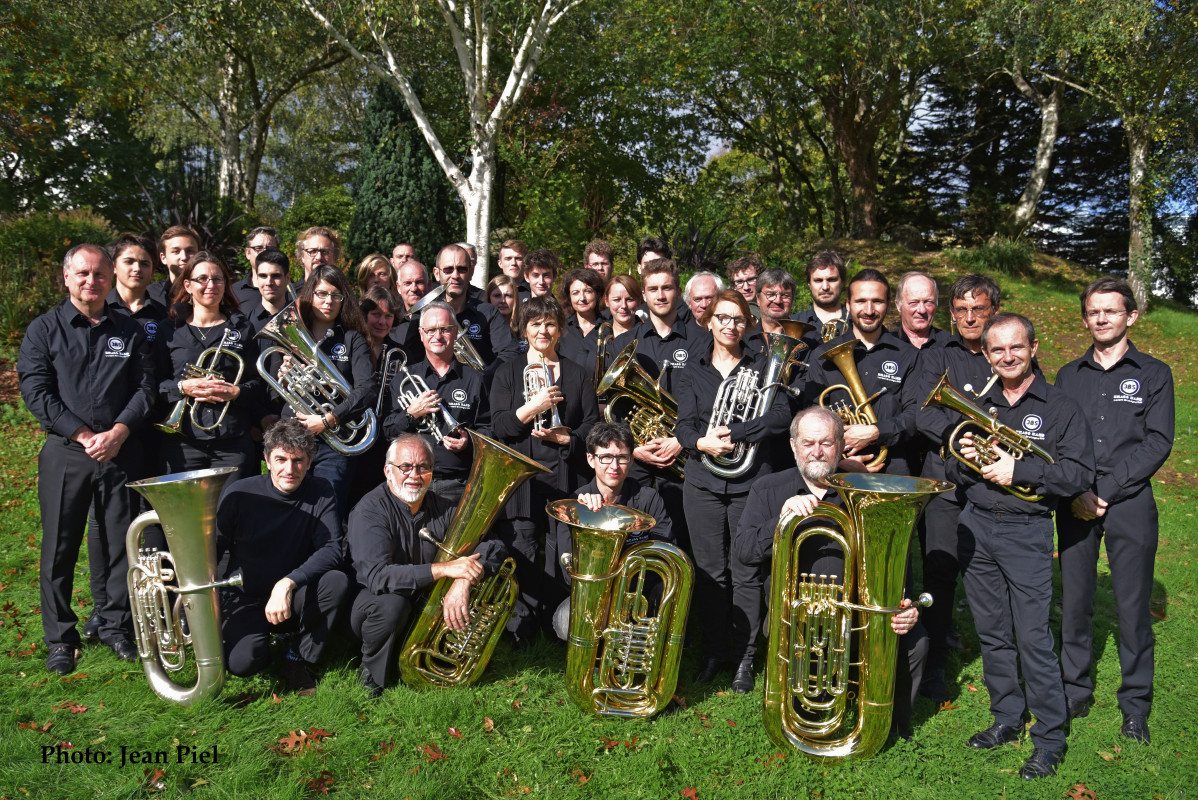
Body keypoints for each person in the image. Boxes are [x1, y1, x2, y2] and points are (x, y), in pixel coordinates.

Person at [948, 313, 1094, 780]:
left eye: (1016, 348)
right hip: (975, 526)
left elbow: (1076, 475)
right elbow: (950, 471)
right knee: (992, 632)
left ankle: (1049, 737)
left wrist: (1020, 472)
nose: (1007, 357)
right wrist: (968, 462)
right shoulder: (979, 403)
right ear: (986, 354)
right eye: (997, 350)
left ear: (1033, 347)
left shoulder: (1059, 406)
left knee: (1032, 637)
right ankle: (1007, 717)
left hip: (1025, 530)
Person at [730, 407, 926, 740]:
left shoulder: (866, 492)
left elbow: (893, 557)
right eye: (808, 443)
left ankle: (889, 725)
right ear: (793, 446)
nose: (817, 451)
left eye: (826, 442)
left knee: (916, 642)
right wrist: (781, 521)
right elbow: (744, 553)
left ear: (840, 445)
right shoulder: (768, 489)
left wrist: (904, 603)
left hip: (857, 614)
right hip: (796, 620)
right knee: (810, 706)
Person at [18, 243, 155, 674]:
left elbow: (146, 388)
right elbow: (36, 391)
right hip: (67, 454)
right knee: (60, 546)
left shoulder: (129, 331)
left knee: (120, 545)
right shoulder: (44, 330)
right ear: (66, 277)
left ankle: (115, 626)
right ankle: (61, 638)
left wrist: (118, 432)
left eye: (98, 274)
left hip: (119, 451)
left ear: (109, 279)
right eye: (82, 273)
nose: (90, 281)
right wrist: (81, 434)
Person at [1055, 278, 1174, 744]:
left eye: (1111, 311)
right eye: (1093, 312)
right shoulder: (1068, 375)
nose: (1101, 318)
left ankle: (1135, 704)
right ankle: (1075, 689)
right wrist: (1077, 491)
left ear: (1131, 317)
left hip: (1129, 502)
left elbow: (1159, 441)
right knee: (1077, 602)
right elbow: (1058, 439)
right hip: (1075, 502)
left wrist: (1105, 489)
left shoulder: (1154, 373)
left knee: (1131, 608)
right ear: (1085, 318)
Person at [674, 290, 791, 684]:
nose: (730, 325)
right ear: (709, 322)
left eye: (738, 319)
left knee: (746, 569)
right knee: (710, 572)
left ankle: (745, 655)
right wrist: (700, 442)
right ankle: (714, 651)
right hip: (703, 482)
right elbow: (684, 426)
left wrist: (736, 431)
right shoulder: (691, 370)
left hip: (750, 483)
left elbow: (779, 417)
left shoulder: (762, 367)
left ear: (748, 324)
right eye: (722, 318)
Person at [346, 434, 508, 695]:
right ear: (388, 471)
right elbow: (377, 577)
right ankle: (372, 673)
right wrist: (445, 569)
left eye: (423, 467)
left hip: (421, 603)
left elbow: (493, 545)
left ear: (432, 473)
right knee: (391, 604)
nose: (414, 475)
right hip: (371, 605)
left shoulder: (442, 506)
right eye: (405, 467)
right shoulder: (369, 510)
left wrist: (463, 580)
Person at [907, 273, 1002, 701]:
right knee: (939, 570)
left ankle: (1002, 660)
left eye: (977, 309)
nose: (968, 317)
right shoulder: (938, 354)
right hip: (945, 477)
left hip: (994, 482)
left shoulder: (1007, 351)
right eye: (960, 310)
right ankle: (935, 664)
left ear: (993, 311)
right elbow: (919, 411)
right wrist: (960, 435)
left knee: (992, 571)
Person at [490, 296, 599, 641]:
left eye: (550, 323)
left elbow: (592, 426)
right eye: (535, 324)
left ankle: (557, 623)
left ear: (561, 329)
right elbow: (500, 426)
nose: (543, 330)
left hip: (564, 476)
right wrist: (533, 407)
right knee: (522, 549)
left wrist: (568, 439)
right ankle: (522, 625)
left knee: (559, 551)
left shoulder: (578, 373)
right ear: (524, 329)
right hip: (522, 478)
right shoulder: (507, 371)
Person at [216, 419, 349, 694]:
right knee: (243, 664)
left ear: (310, 462)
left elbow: (333, 549)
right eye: (281, 459)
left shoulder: (321, 490)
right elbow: (215, 549)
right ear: (266, 459)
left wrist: (287, 583)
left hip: (294, 594)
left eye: (298, 460)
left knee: (336, 581)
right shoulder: (239, 493)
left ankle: (298, 658)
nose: (290, 469)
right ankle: (270, 640)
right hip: (247, 596)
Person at [267, 265, 377, 517]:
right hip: (293, 437)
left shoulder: (353, 338)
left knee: (327, 509)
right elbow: (273, 391)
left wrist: (328, 420)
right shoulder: (291, 333)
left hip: (335, 443)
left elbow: (367, 389)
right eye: (321, 294)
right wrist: (283, 378)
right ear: (310, 295)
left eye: (336, 295)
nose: (329, 301)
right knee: (289, 512)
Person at [547, 422, 674, 641]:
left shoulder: (648, 498)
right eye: (605, 457)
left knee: (667, 592)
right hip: (593, 595)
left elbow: (667, 551)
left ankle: (646, 647)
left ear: (632, 460)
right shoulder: (577, 503)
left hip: (637, 592)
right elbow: (567, 566)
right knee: (564, 620)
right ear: (591, 460)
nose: (614, 466)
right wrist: (590, 517)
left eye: (622, 457)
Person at [153, 251, 263, 482]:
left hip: (231, 442)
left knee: (229, 514)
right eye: (202, 279)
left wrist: (236, 391)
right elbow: (153, 384)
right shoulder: (169, 330)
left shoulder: (241, 328)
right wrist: (183, 387)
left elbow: (258, 382)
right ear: (188, 285)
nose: (210, 285)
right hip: (182, 443)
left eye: (217, 279)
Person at [805, 269, 920, 475]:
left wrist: (875, 432)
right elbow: (811, 417)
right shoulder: (822, 355)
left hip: (893, 468)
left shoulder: (909, 355)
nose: (869, 310)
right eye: (860, 301)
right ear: (848, 305)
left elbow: (916, 416)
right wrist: (839, 455)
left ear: (888, 305)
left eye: (877, 301)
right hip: (836, 469)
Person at [384, 300, 490, 504]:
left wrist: (469, 442)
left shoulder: (475, 379)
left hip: (457, 484)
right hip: (409, 480)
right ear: (421, 334)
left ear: (455, 332)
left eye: (445, 329)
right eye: (431, 330)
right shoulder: (403, 379)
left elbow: (489, 429)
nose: (438, 336)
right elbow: (387, 431)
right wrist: (412, 414)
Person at [347, 285, 404, 508]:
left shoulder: (399, 352)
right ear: (364, 315)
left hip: (385, 436)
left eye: (388, 316)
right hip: (353, 433)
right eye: (376, 315)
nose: (382, 322)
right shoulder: (352, 346)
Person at [433, 244, 517, 382]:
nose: (455, 275)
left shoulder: (488, 312)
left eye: (462, 269)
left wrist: (483, 378)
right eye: (448, 269)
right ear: (437, 273)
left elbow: (509, 352)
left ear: (471, 272)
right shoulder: (426, 314)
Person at [793, 250, 850, 342]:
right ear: (809, 285)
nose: (825, 287)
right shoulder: (793, 324)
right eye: (818, 280)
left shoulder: (857, 323)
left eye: (831, 280)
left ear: (842, 282)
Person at [558, 268, 606, 372]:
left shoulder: (608, 329)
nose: (582, 298)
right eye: (575, 293)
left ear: (597, 294)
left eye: (588, 291)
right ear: (569, 297)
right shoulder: (560, 328)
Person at [148, 225, 200, 306]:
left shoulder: (210, 291)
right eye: (176, 251)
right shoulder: (150, 294)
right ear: (163, 258)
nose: (184, 257)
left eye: (190, 251)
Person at [243, 249, 291, 333]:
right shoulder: (244, 324)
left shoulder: (302, 320)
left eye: (276, 276)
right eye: (263, 276)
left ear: (287, 278)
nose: (269, 282)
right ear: (257, 278)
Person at [895, 271, 944, 349]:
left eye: (928, 302)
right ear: (898, 305)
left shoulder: (950, 345)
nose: (922, 310)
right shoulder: (886, 345)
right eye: (914, 302)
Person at [232, 226, 280, 306]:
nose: (264, 253)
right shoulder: (234, 292)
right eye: (258, 248)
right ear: (248, 253)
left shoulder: (291, 291)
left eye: (270, 249)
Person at [604, 274, 643, 341]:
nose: (623, 306)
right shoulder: (595, 338)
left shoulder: (649, 338)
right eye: (617, 300)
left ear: (639, 301)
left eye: (629, 299)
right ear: (607, 301)